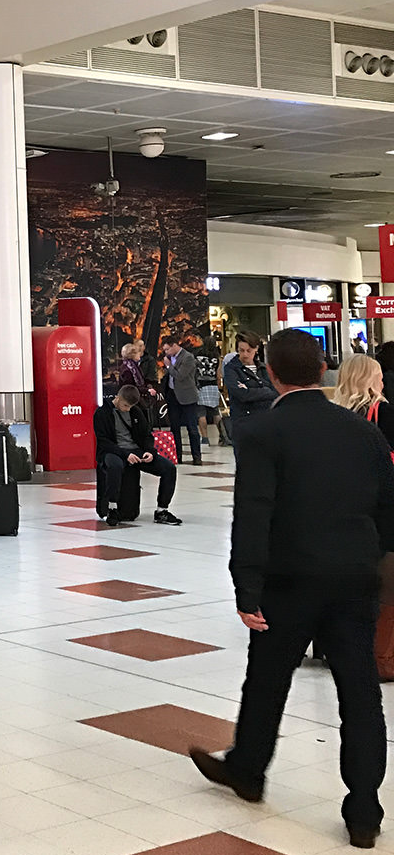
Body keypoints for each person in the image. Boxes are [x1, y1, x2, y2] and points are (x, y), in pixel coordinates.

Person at [190, 329, 394, 850]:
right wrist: (371, 557)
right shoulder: (363, 432)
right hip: (354, 577)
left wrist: (246, 587)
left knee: (267, 678)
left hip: (288, 580)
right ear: (322, 368)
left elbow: (253, 514)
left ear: (273, 373)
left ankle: (249, 771)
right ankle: (365, 810)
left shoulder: (262, 431)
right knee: (360, 690)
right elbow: (387, 507)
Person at [92, 384, 180, 527]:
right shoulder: (102, 413)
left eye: (130, 407)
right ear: (118, 398)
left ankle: (162, 510)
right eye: (125, 405)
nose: (127, 409)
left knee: (168, 468)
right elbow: (103, 442)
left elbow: (147, 435)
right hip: (113, 451)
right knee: (115, 466)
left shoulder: (136, 412)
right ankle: (112, 507)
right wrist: (125, 454)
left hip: (136, 451)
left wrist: (149, 451)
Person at [223, 331, 278, 453]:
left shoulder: (263, 369)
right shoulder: (231, 369)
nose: (245, 354)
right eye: (241, 350)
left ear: (256, 349)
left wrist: (251, 390)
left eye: (249, 351)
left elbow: (275, 392)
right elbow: (241, 395)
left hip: (265, 422)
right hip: (243, 423)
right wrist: (264, 390)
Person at [334, 353, 394, 445]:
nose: (382, 385)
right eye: (380, 380)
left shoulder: (334, 413)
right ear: (372, 382)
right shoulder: (385, 412)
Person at [161, 337, 202, 465]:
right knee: (174, 427)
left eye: (168, 349)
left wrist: (168, 366)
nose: (166, 352)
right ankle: (177, 455)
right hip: (173, 395)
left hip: (187, 395)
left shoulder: (187, 357)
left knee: (192, 427)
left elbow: (180, 376)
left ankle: (196, 456)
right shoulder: (170, 358)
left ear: (174, 346)